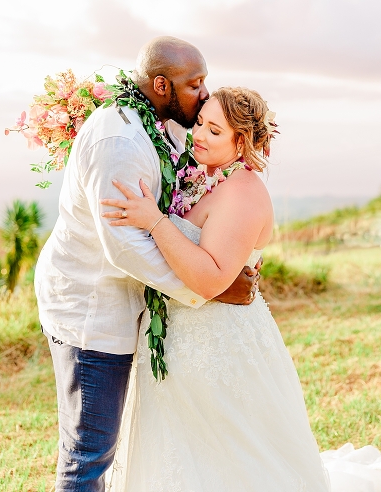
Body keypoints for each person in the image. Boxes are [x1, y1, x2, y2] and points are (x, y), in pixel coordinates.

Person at [101, 88, 379, 492]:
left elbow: (212, 278)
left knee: (232, 457)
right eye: (200, 123)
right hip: (177, 345)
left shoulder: (243, 192)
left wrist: (155, 222)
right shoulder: (206, 177)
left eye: (215, 131)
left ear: (241, 143)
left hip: (220, 347)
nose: (199, 135)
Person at [33, 36, 260, 492]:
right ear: (161, 84)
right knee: (89, 453)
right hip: (90, 307)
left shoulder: (160, 122)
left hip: (116, 301)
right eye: (195, 84)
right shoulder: (119, 141)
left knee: (98, 447)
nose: (204, 93)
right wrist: (209, 287)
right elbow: (125, 247)